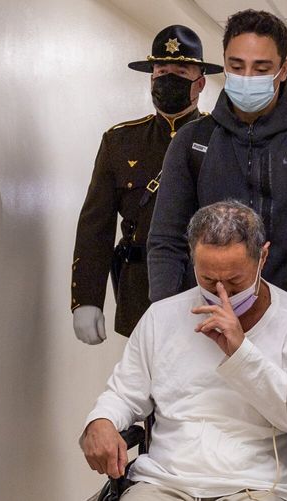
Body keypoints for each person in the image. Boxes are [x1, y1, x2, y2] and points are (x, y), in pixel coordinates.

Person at [81, 200, 287, 501]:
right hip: (168, 481)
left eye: (234, 282)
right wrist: (101, 420)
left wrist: (242, 352)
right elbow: (123, 394)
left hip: (258, 485)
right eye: (208, 279)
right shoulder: (161, 318)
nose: (221, 294)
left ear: (263, 257)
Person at [147, 9, 287, 347]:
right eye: (237, 66)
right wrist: (163, 312)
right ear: (224, 63)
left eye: (262, 68)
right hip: (209, 325)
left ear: (284, 69)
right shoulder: (193, 141)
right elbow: (165, 239)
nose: (247, 76)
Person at [71, 25, 223, 344]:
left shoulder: (222, 138)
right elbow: (95, 226)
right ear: (151, 78)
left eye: (180, 71)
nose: (168, 78)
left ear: (200, 83)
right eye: (161, 70)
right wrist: (87, 298)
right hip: (140, 290)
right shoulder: (120, 142)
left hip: (209, 288)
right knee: (146, 389)